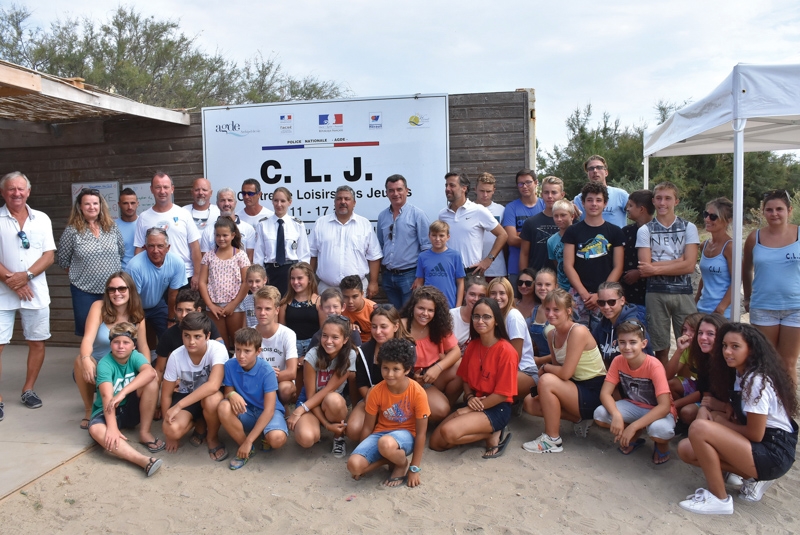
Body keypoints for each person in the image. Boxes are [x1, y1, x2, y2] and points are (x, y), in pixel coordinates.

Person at [677, 323, 798, 514]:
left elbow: (755, 434)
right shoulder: (740, 374)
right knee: (686, 449)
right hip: (760, 446)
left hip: (773, 451)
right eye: (724, 346)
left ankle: (719, 499)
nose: (727, 351)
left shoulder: (756, 380)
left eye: (735, 346)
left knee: (700, 428)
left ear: (751, 349)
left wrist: (719, 421)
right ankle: (751, 477)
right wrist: (719, 413)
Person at [429, 297, 518, 458]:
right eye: (476, 316)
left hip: (497, 407)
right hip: (475, 400)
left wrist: (470, 408)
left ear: (496, 321)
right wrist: (469, 397)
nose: (480, 321)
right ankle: (486, 432)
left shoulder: (506, 351)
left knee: (449, 433)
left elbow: (503, 394)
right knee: (436, 444)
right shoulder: (473, 345)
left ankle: (491, 433)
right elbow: (465, 379)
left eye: (487, 317)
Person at [522, 289, 606, 453]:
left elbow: (564, 373)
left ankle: (552, 439)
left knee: (546, 380)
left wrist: (544, 368)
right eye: (547, 309)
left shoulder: (578, 331)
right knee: (529, 403)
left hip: (593, 390)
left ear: (568, 311)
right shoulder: (551, 333)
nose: (550, 314)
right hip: (574, 387)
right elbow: (559, 370)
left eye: (556, 310)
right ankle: (579, 419)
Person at [0, 171, 56, 415]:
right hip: (3, 292)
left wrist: (27, 276)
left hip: (35, 291)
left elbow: (49, 255)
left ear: (28, 192)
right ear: (3, 193)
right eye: (11, 189)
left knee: (36, 342)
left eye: (21, 189)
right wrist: (13, 280)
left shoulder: (42, 219)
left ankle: (29, 389)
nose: (16, 193)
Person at [347, 338, 431, 487]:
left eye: (396, 369)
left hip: (406, 435)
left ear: (406, 370)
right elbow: (367, 427)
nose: (389, 374)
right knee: (354, 466)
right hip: (381, 434)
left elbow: (421, 433)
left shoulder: (418, 392)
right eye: (385, 368)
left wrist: (414, 468)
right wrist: (364, 452)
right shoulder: (375, 391)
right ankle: (389, 459)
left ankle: (401, 465)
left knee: (385, 443)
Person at [593, 320, 676, 464]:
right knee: (600, 414)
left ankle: (660, 444)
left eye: (633, 342)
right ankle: (635, 433)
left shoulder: (654, 365)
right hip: (633, 405)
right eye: (622, 342)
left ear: (643, 344)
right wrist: (616, 415)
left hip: (658, 411)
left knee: (660, 430)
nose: (627, 347)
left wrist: (634, 425)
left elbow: (664, 406)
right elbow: (605, 393)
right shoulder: (618, 360)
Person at [86, 322, 163, 477]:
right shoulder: (105, 364)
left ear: (133, 346)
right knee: (95, 429)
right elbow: (108, 397)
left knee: (151, 382)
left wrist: (122, 393)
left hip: (129, 407)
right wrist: (112, 427)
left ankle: (144, 432)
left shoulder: (135, 356)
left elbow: (150, 372)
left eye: (126, 342)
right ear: (110, 344)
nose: (121, 346)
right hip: (107, 411)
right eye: (116, 342)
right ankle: (143, 460)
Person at [75, 272, 150, 429]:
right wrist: (86, 359)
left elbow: (143, 346)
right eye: (112, 289)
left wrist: (146, 368)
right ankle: (89, 410)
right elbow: (87, 339)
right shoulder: (99, 307)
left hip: (125, 366)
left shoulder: (137, 314)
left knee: (150, 377)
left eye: (122, 289)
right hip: (101, 365)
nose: (117, 293)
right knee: (80, 360)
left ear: (131, 290)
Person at [637, 181, 700, 363]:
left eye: (667, 198)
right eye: (659, 198)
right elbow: (644, 269)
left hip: (683, 292)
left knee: (690, 342)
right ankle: (664, 385)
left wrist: (656, 267)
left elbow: (689, 266)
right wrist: (679, 261)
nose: (663, 203)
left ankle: (687, 384)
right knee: (660, 346)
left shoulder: (689, 227)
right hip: (656, 292)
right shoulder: (645, 230)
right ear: (653, 201)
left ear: (676, 201)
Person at [743, 189, 800, 384]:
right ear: (763, 212)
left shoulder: (799, 234)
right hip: (763, 307)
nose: (774, 214)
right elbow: (747, 269)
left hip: (795, 307)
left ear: (789, 210)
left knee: (788, 363)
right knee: (765, 361)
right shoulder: (754, 238)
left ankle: (788, 410)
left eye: (779, 209)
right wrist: (748, 297)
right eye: (769, 209)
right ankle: (766, 407)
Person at [57, 188, 124, 337]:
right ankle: (88, 359)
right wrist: (83, 272)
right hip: (84, 291)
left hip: (112, 290)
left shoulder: (112, 227)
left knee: (114, 329)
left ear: (101, 205)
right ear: (80, 206)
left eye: (95, 203)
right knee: (88, 331)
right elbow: (63, 260)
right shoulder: (72, 231)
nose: (92, 207)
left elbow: (121, 252)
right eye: (87, 204)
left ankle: (112, 360)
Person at [160, 313, 227, 461]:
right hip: (187, 394)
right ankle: (200, 421)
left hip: (211, 395)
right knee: (172, 430)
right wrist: (168, 431)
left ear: (208, 335)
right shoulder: (176, 356)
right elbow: (166, 394)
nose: (191, 341)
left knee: (212, 400)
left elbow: (213, 385)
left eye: (197, 336)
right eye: (187, 336)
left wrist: (178, 407)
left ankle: (212, 437)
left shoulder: (217, 349)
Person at [287, 315, 357, 458]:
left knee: (333, 399)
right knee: (306, 439)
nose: (328, 341)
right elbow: (311, 396)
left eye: (335, 337)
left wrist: (299, 411)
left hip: (330, 403)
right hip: (310, 402)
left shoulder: (349, 356)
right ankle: (317, 426)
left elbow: (327, 390)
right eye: (325, 336)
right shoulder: (313, 355)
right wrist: (326, 424)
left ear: (345, 340)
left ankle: (338, 436)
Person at [218, 327, 287, 470]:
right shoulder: (230, 366)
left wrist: (250, 440)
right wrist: (231, 394)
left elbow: (269, 410)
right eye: (237, 349)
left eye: (247, 351)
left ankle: (256, 439)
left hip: (267, 412)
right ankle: (246, 447)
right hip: (247, 411)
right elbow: (227, 391)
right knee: (223, 406)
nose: (241, 355)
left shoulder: (266, 371)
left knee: (277, 439)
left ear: (258, 351)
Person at [345, 305, 413, 442]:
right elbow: (362, 383)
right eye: (374, 326)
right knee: (353, 431)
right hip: (372, 398)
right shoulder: (364, 351)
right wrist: (375, 401)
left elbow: (410, 381)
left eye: (383, 326)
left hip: (399, 401)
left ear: (395, 326)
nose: (378, 331)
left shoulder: (407, 349)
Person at [562, 182, 625, 328]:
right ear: (583, 203)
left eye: (598, 200)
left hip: (606, 296)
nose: (594, 204)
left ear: (605, 203)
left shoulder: (615, 232)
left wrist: (601, 294)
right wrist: (584, 294)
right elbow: (568, 265)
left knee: (604, 335)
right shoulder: (572, 231)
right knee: (577, 335)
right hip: (578, 294)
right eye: (589, 200)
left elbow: (618, 266)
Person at [401, 286, 462, 421]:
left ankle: (438, 409)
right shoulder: (401, 326)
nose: (425, 313)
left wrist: (438, 368)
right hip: (405, 379)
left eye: (430, 310)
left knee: (461, 366)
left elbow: (456, 351)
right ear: (412, 308)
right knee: (440, 409)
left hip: (430, 376)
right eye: (421, 308)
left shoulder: (438, 326)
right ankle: (412, 415)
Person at [309, 185, 382, 297]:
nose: (343, 202)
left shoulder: (364, 224)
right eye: (339, 199)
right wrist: (310, 282)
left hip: (357, 289)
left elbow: (374, 256)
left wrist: (373, 282)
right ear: (334, 202)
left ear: (354, 203)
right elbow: (312, 254)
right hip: (327, 288)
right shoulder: (321, 223)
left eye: (347, 199)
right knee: (327, 315)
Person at [134, 172, 201, 289]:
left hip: (184, 275)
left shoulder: (184, 214)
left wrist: (197, 274)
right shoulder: (143, 217)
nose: (162, 191)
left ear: (172, 189)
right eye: (158, 187)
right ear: (151, 189)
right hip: (153, 277)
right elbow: (139, 249)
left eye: (165, 187)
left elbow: (195, 247)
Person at [377, 174, 431, 309]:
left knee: (409, 315)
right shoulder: (382, 216)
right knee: (394, 316)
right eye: (391, 190)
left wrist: (420, 277)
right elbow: (380, 245)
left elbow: (426, 248)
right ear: (386, 193)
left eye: (399, 189)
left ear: (407, 191)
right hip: (388, 276)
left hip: (410, 276)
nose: (395, 193)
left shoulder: (417, 214)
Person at [439, 172, 507, 277]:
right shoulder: (442, 214)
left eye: (452, 185)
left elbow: (503, 235)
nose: (447, 189)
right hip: (448, 274)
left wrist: (488, 260)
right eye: (446, 185)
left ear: (464, 188)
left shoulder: (478, 210)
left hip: (471, 274)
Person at [126, 227, 187, 343]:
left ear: (168, 248)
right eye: (151, 246)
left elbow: (173, 294)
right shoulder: (134, 266)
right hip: (134, 305)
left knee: (171, 334)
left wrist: (171, 320)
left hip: (157, 304)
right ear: (145, 247)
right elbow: (133, 300)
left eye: (160, 246)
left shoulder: (177, 263)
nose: (155, 250)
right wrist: (140, 322)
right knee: (133, 338)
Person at [199, 217, 251, 349]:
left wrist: (233, 304)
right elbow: (202, 282)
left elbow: (246, 282)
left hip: (236, 306)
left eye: (225, 235)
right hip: (214, 306)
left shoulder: (241, 255)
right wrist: (210, 305)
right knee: (220, 345)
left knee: (238, 342)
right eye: (218, 235)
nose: (221, 238)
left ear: (233, 235)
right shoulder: (208, 256)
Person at [488, 277, 539, 400]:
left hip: (525, 371)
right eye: (493, 293)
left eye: (502, 293)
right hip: (505, 368)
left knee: (488, 383)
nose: (497, 297)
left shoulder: (513, 316)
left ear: (509, 295)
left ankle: (518, 398)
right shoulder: (493, 315)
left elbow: (515, 356)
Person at [253, 187, 310, 296]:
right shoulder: (263, 225)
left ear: (290, 202)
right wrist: (260, 277)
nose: (279, 204)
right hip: (270, 273)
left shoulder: (297, 225)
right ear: (272, 201)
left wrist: (302, 278)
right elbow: (259, 255)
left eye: (283, 201)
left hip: (291, 273)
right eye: (276, 200)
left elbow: (304, 255)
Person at [154, 289, 224, 378]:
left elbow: (220, 346)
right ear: (175, 309)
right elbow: (159, 369)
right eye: (179, 310)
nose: (183, 315)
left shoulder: (208, 324)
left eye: (188, 310)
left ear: (198, 310)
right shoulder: (168, 335)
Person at [676, 314, 730, 425]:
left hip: (735, 411)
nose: (703, 337)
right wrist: (704, 408)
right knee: (690, 414)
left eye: (710, 334)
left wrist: (722, 406)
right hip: (713, 403)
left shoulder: (730, 359)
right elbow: (706, 394)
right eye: (700, 333)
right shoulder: (704, 357)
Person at [591, 281, 654, 368]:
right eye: (601, 303)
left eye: (611, 302)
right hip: (613, 374)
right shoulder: (603, 323)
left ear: (622, 301)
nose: (606, 307)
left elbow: (642, 361)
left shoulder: (632, 326)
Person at [254, 286, 298, 405]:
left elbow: (292, 372)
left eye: (268, 309)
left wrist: (263, 377)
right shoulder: (249, 333)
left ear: (277, 310)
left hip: (280, 381)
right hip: (256, 381)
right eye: (259, 308)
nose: (262, 313)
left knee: (286, 389)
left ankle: (283, 409)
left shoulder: (287, 334)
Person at [502, 169, 545, 286]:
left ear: (536, 183)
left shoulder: (545, 205)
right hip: (516, 267)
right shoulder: (511, 208)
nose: (524, 186)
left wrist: (521, 235)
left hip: (542, 267)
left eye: (528, 182)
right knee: (517, 302)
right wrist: (539, 238)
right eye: (521, 183)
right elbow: (511, 239)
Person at [279, 262, 324, 363]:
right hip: (292, 346)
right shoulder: (285, 302)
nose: (295, 282)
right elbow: (282, 330)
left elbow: (323, 330)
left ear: (309, 279)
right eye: (292, 278)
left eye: (300, 278)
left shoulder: (319, 302)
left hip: (313, 346)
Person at [414, 220, 465, 308]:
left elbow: (460, 283)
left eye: (441, 235)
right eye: (434, 235)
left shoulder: (455, 256)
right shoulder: (422, 257)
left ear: (448, 237)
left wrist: (458, 306)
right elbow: (420, 282)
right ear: (429, 236)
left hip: (449, 304)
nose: (437, 239)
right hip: (429, 304)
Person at [519, 176, 566, 273]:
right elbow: (524, 254)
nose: (549, 196)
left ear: (562, 195)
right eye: (546, 192)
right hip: (537, 278)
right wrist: (525, 278)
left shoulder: (571, 222)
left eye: (554, 192)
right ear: (541, 194)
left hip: (564, 280)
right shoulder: (531, 222)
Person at [696, 198, 734, 318]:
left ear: (727, 221)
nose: (707, 219)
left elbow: (736, 281)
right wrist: (696, 300)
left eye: (713, 217)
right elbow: (705, 277)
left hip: (722, 312)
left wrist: (721, 308)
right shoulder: (704, 245)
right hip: (702, 308)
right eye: (706, 214)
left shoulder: (730, 247)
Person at [620, 190, 654, 322]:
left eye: (630, 205)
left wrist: (639, 273)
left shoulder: (657, 231)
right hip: (627, 291)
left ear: (641, 209)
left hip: (650, 291)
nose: (627, 209)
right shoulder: (626, 231)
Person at [200, 188, 255, 262]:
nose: (226, 204)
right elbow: (205, 261)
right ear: (217, 203)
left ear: (235, 203)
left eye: (230, 200)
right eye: (222, 200)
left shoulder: (248, 229)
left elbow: (250, 260)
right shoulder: (208, 230)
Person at [572, 155, 629, 228]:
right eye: (591, 168)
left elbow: (637, 212)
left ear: (606, 172)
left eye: (599, 168)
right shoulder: (579, 199)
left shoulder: (621, 195)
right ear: (588, 174)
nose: (595, 171)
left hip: (616, 238)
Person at [665, 312, 703, 416]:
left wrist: (673, 405)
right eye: (685, 330)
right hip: (699, 386)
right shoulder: (687, 350)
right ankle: (679, 415)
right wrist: (679, 350)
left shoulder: (707, 352)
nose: (687, 334)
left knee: (687, 412)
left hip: (710, 395)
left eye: (692, 330)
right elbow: (667, 376)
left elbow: (704, 391)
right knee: (669, 384)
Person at [475, 172, 507, 279]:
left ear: (494, 190)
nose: (485, 195)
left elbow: (505, 238)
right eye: (482, 191)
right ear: (475, 189)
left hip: (496, 268)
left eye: (488, 191)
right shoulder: (467, 210)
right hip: (473, 267)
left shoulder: (501, 210)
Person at [525, 268, 558, 365]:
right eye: (539, 284)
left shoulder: (561, 312)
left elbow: (565, 351)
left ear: (555, 287)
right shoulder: (534, 311)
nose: (543, 288)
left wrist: (540, 361)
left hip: (557, 365)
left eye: (548, 284)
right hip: (537, 362)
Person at [450, 275, 489, 354]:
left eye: (481, 296)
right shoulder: (450, 315)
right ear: (465, 295)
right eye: (472, 294)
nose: (476, 299)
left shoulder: (488, 320)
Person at [546, 199, 575, 291]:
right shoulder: (551, 241)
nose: (559, 219)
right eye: (556, 216)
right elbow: (556, 262)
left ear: (572, 216)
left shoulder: (580, 235)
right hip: (562, 287)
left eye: (563, 215)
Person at [340, 275, 376, 343]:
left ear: (362, 294)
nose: (350, 301)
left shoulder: (373, 309)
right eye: (346, 297)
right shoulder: (338, 308)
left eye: (355, 297)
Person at [116, 188, 139, 270]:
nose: (129, 207)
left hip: (142, 273)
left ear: (137, 203)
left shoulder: (144, 224)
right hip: (121, 275)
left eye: (132, 203)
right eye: (125, 203)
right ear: (119, 204)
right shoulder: (112, 227)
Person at [240, 264, 268, 329]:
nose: (254, 285)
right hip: (251, 337)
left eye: (257, 281)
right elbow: (245, 324)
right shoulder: (246, 300)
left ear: (264, 280)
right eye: (250, 281)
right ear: (246, 280)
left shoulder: (271, 299)